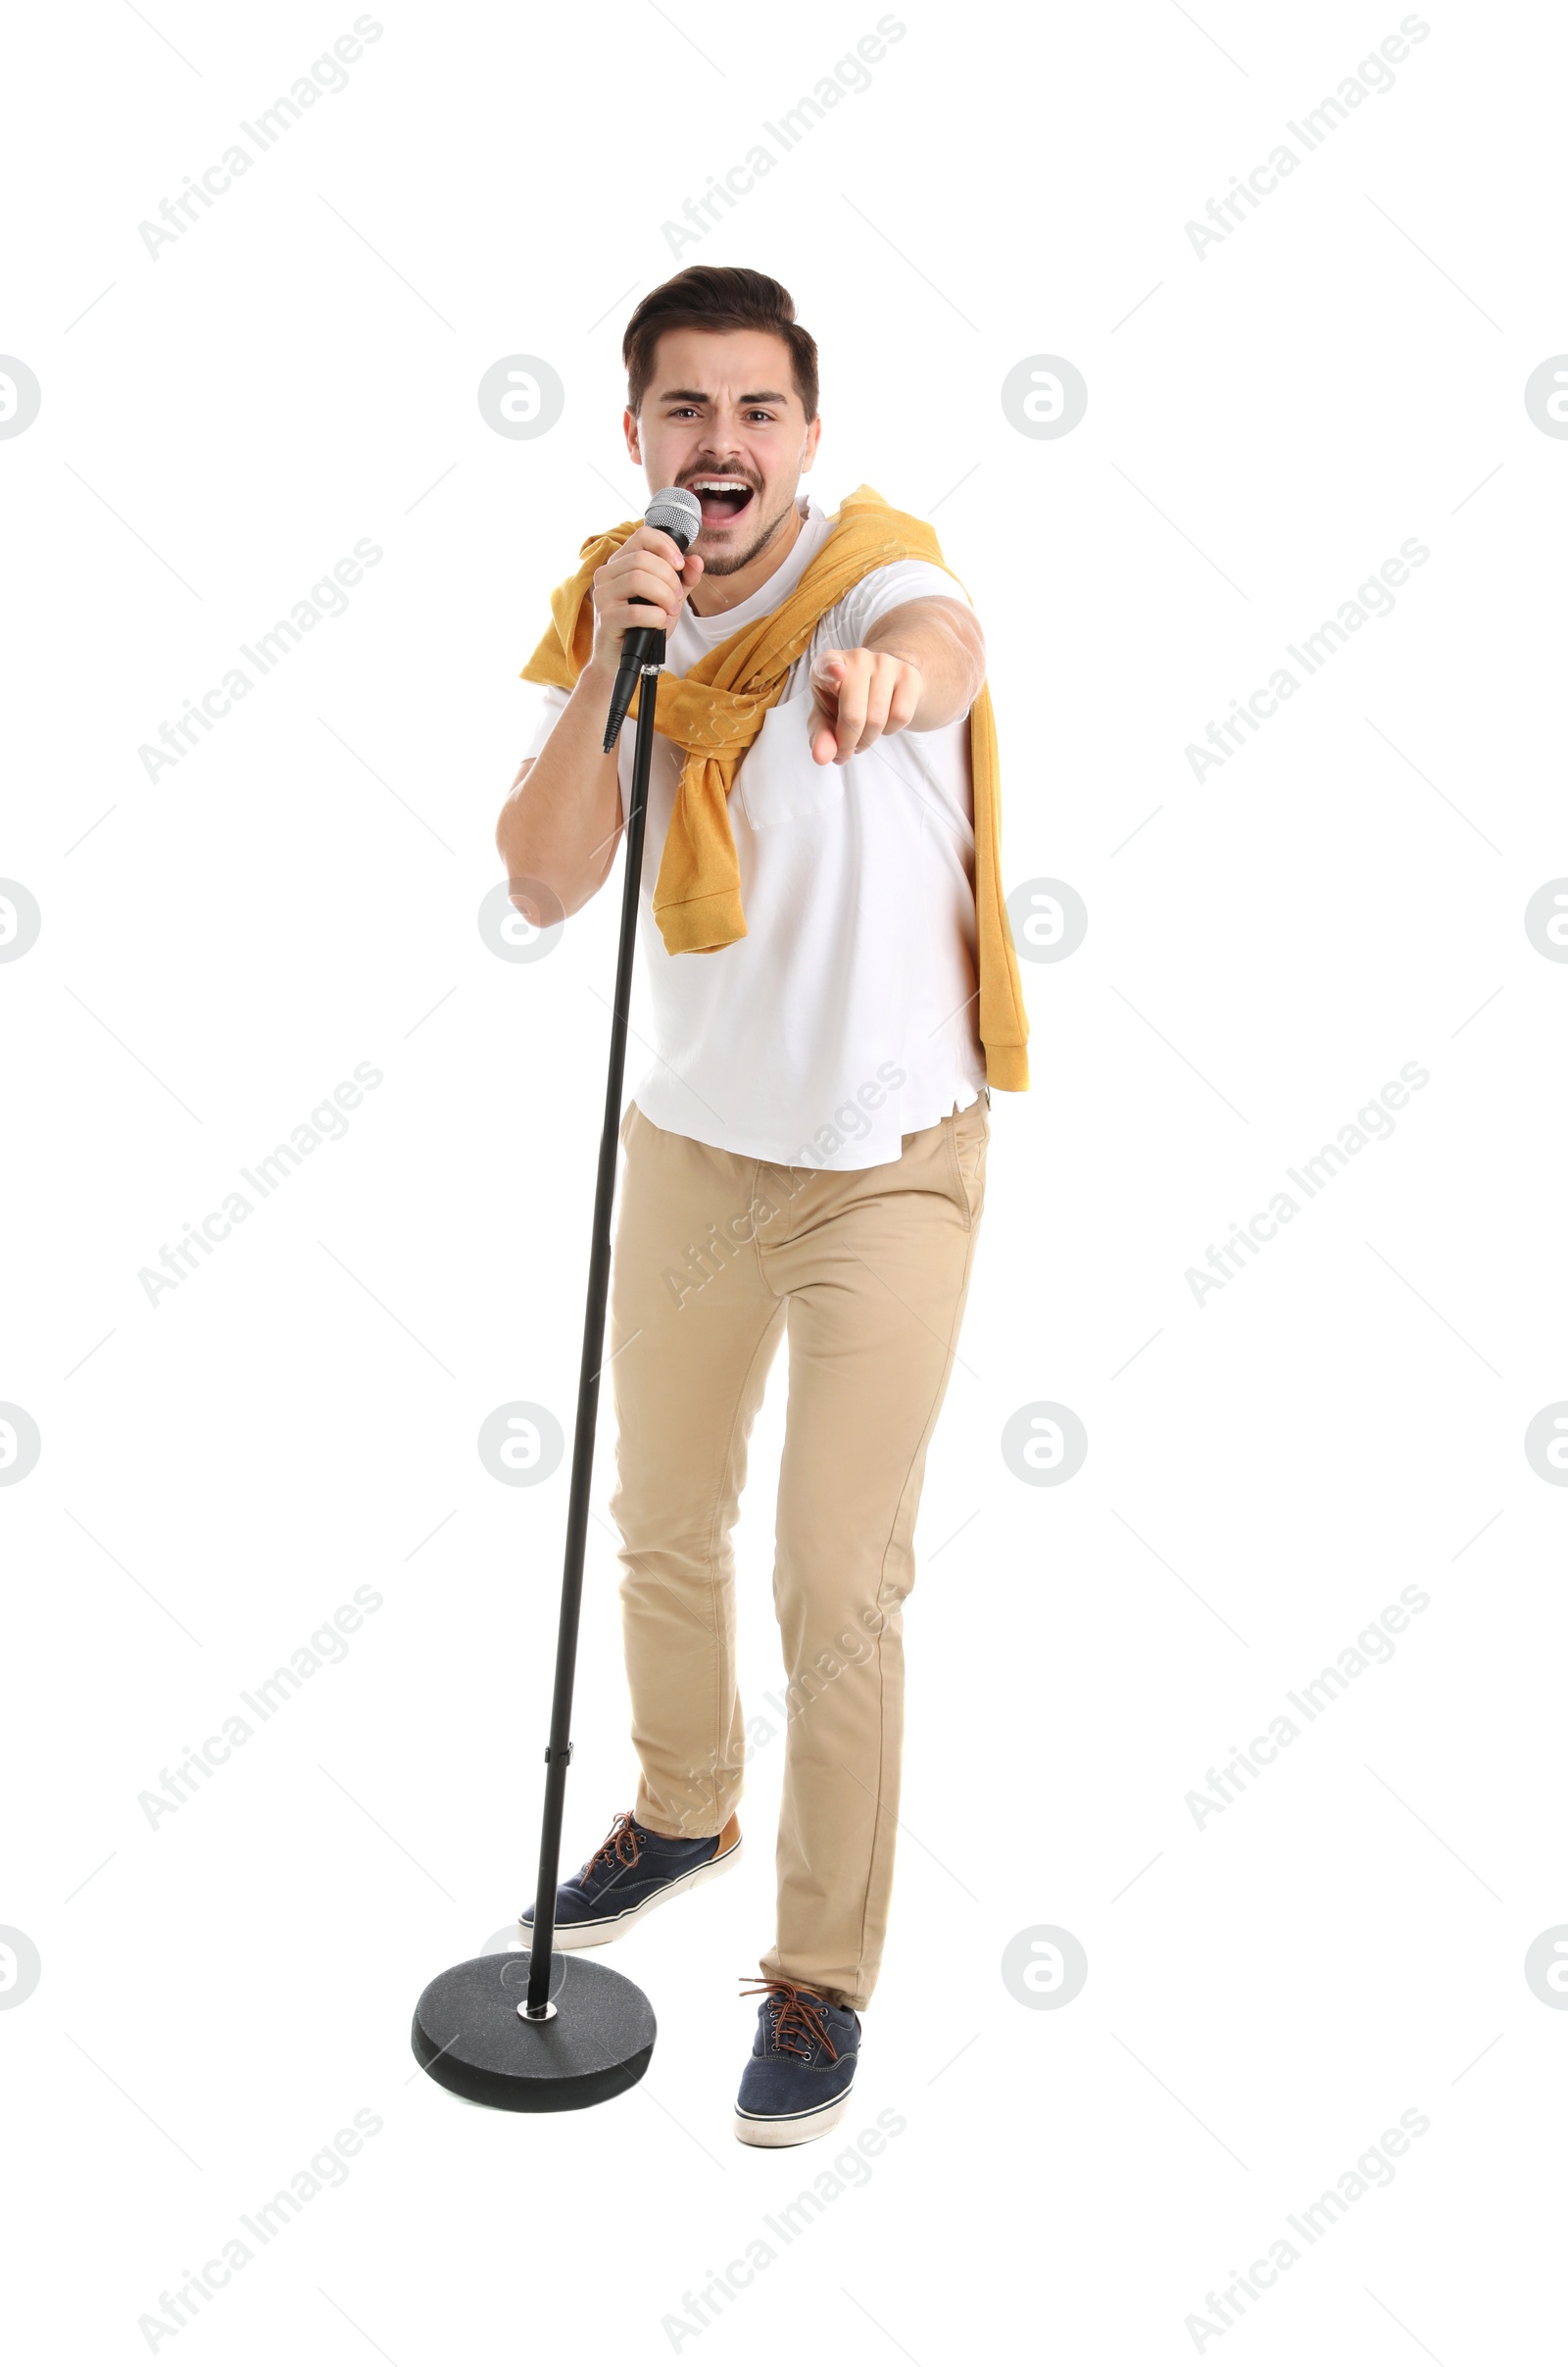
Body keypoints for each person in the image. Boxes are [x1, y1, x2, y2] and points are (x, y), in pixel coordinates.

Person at [498, 265, 1028, 2146]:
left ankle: (817, 1981)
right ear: (636, 433)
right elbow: (549, 878)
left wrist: (897, 683)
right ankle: (683, 1805)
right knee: (660, 1517)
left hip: (889, 1167)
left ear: (807, 434)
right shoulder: (617, 614)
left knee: (836, 1583)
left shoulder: (871, 571)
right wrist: (613, 671)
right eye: (685, 412)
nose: (722, 445)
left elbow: (941, 637)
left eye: (759, 412)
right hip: (701, 1151)